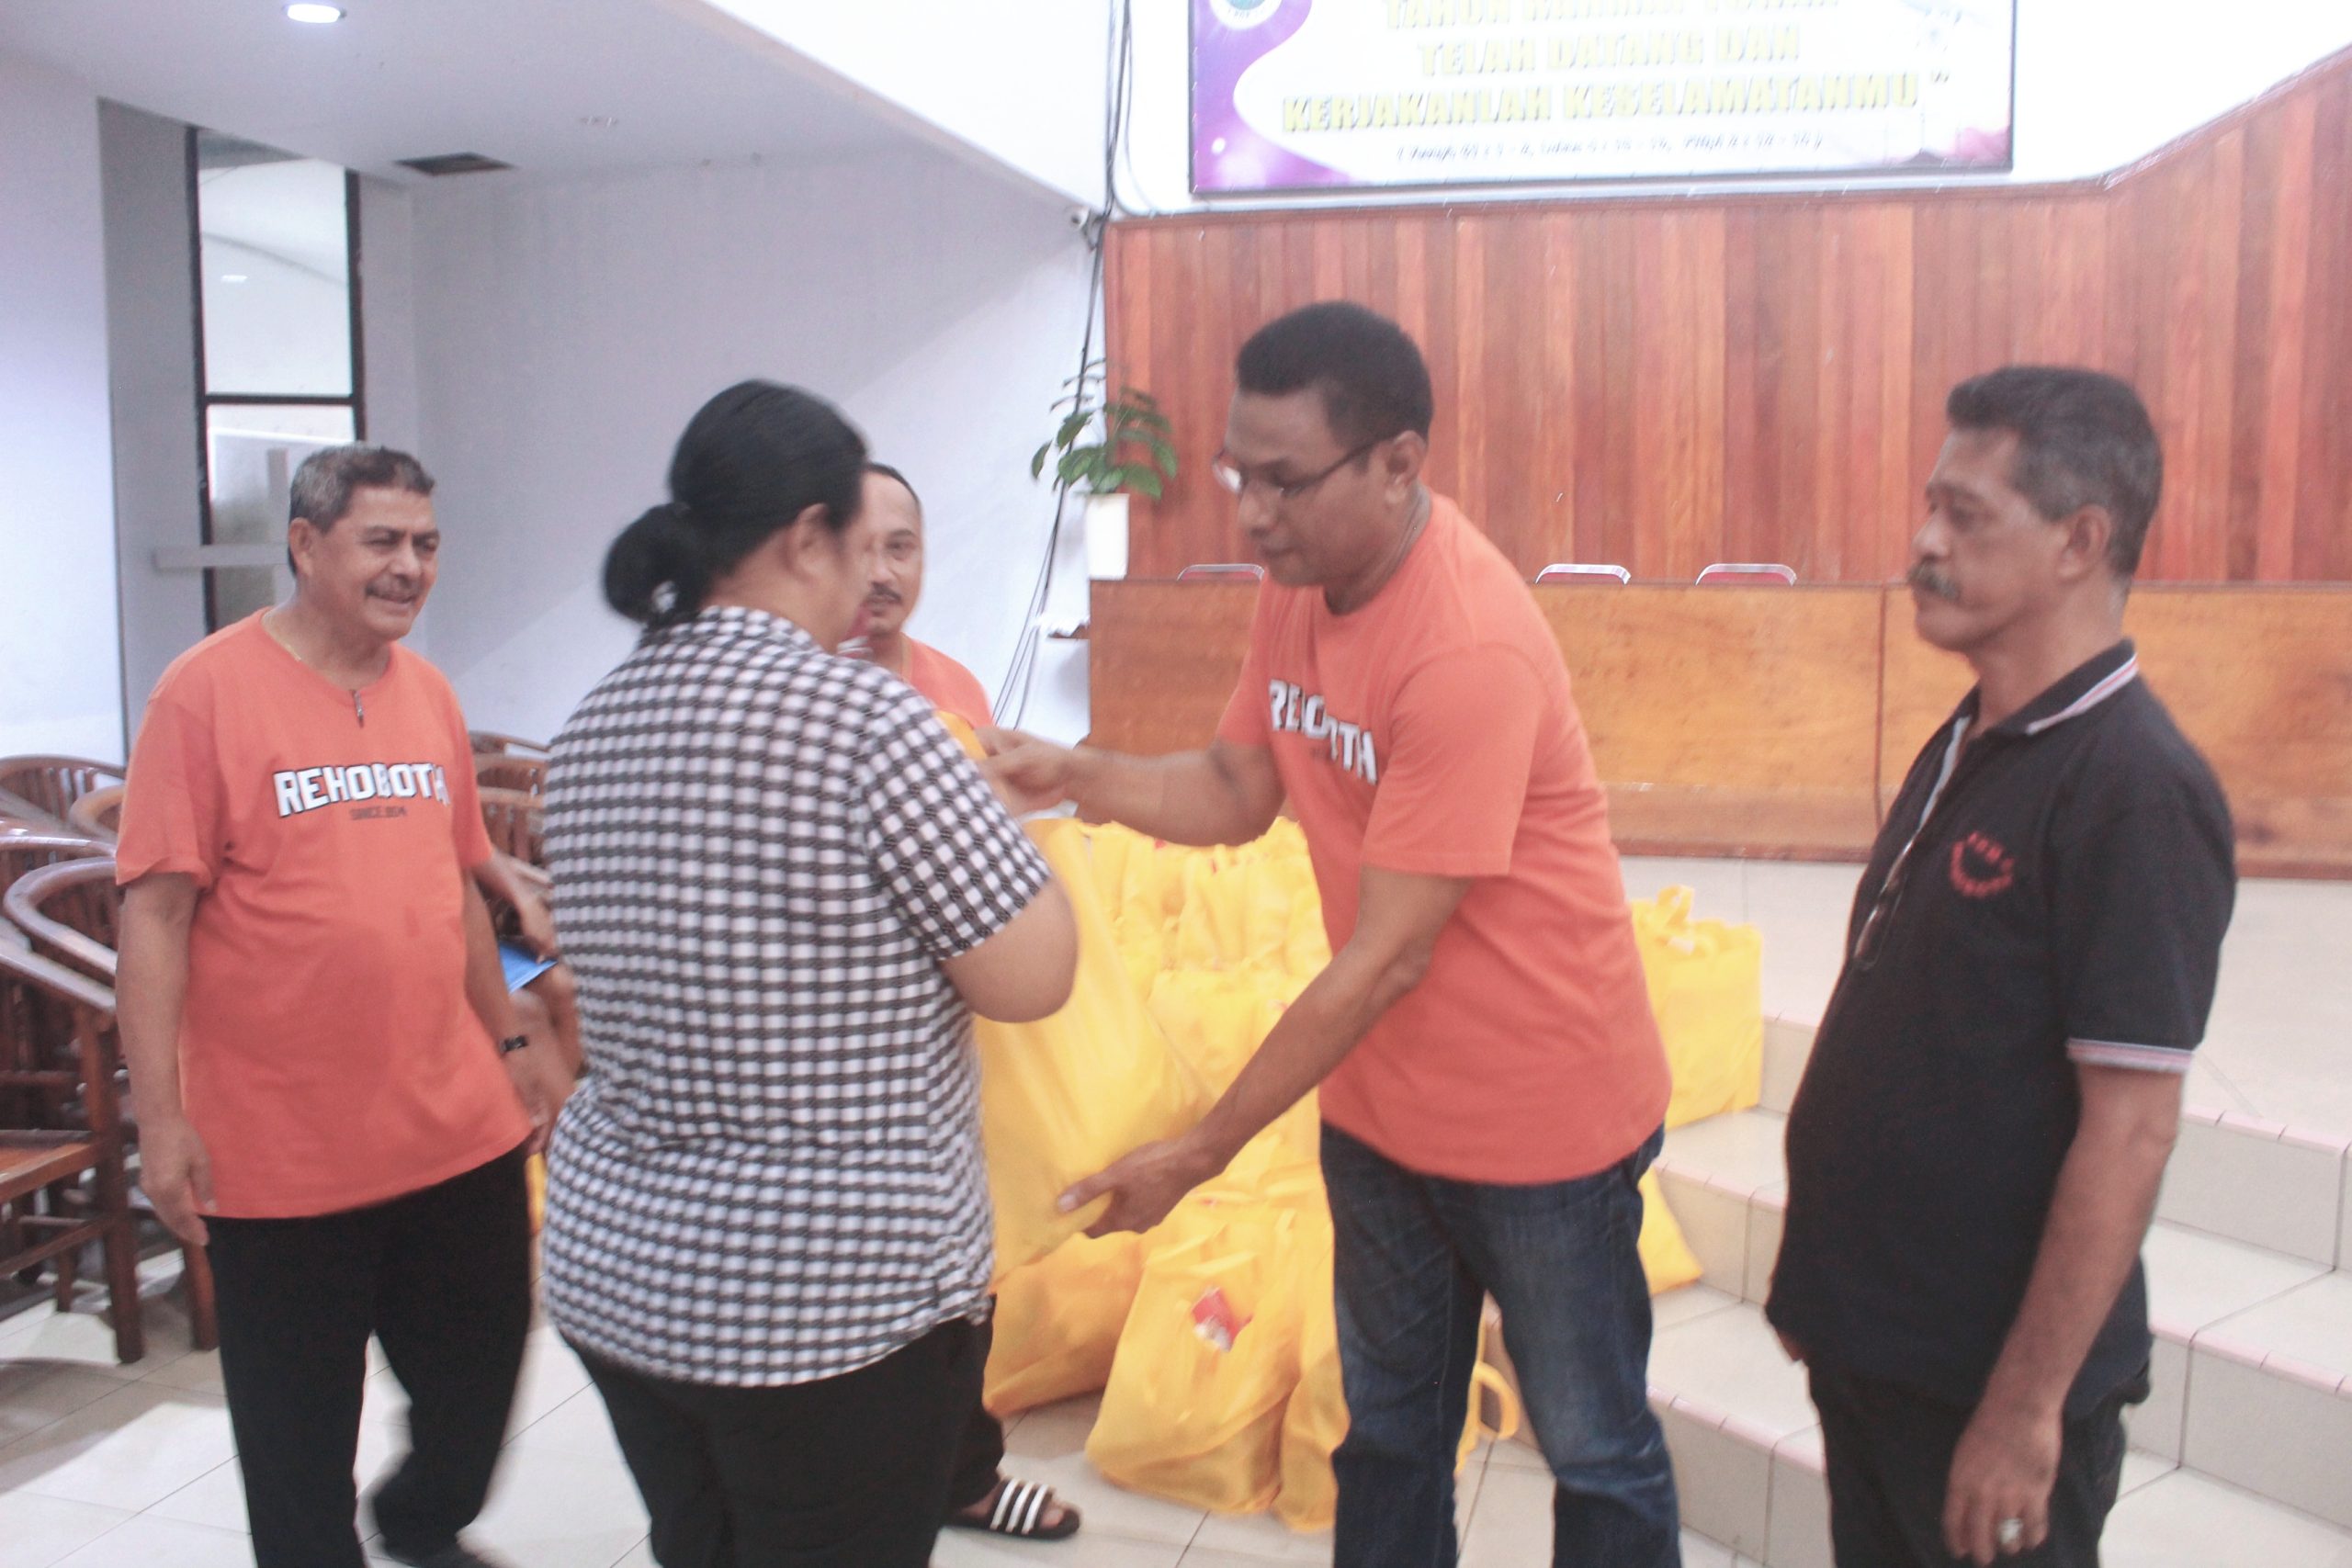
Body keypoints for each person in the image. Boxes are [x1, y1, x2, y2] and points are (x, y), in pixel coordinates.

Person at [985, 301, 1681, 1568]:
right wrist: (1076, 772)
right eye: (1237, 474)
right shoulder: (1298, 588)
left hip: (1542, 1125)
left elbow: (1386, 957)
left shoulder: (1465, 645)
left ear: (1399, 463)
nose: (1252, 514)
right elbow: (1234, 789)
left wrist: (1201, 1148)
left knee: (1597, 1451)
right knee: (1389, 1437)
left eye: (1285, 481)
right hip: (1380, 1112)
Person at [540, 381, 1078, 1568]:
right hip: (826, 1304)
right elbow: (1031, 975)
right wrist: (1010, 827)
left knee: (701, 1543)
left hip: (619, 1273)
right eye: (857, 541)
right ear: (804, 539)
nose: (871, 575)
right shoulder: (866, 723)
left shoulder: (589, 727)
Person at [1767, 367, 2234, 1568]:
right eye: (1931, 505)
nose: (1924, 541)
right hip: (1882, 1350)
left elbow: (2130, 1131)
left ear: (2080, 541)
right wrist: (1830, 1286)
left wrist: (2025, 1413)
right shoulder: (1973, 732)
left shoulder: (2133, 788)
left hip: (1986, 1393)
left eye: (1966, 515)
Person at [114, 444, 572, 1568]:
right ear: (306, 545)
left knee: (478, 1384)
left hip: (451, 1126)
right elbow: (155, 918)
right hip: (282, 1155)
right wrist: (160, 1120)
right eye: (382, 542)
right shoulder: (203, 695)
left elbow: (456, 891)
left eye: (426, 544)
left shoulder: (429, 694)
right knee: (296, 1450)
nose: (409, 567)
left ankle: (420, 1523)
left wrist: (512, 1036)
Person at [852, 459, 1082, 1545]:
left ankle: (966, 1477)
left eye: (901, 546)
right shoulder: (796, 693)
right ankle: (879, 1482)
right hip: (849, 1046)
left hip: (960, 1024)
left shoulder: (951, 684)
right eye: (857, 546)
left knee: (965, 1264)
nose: (880, 571)